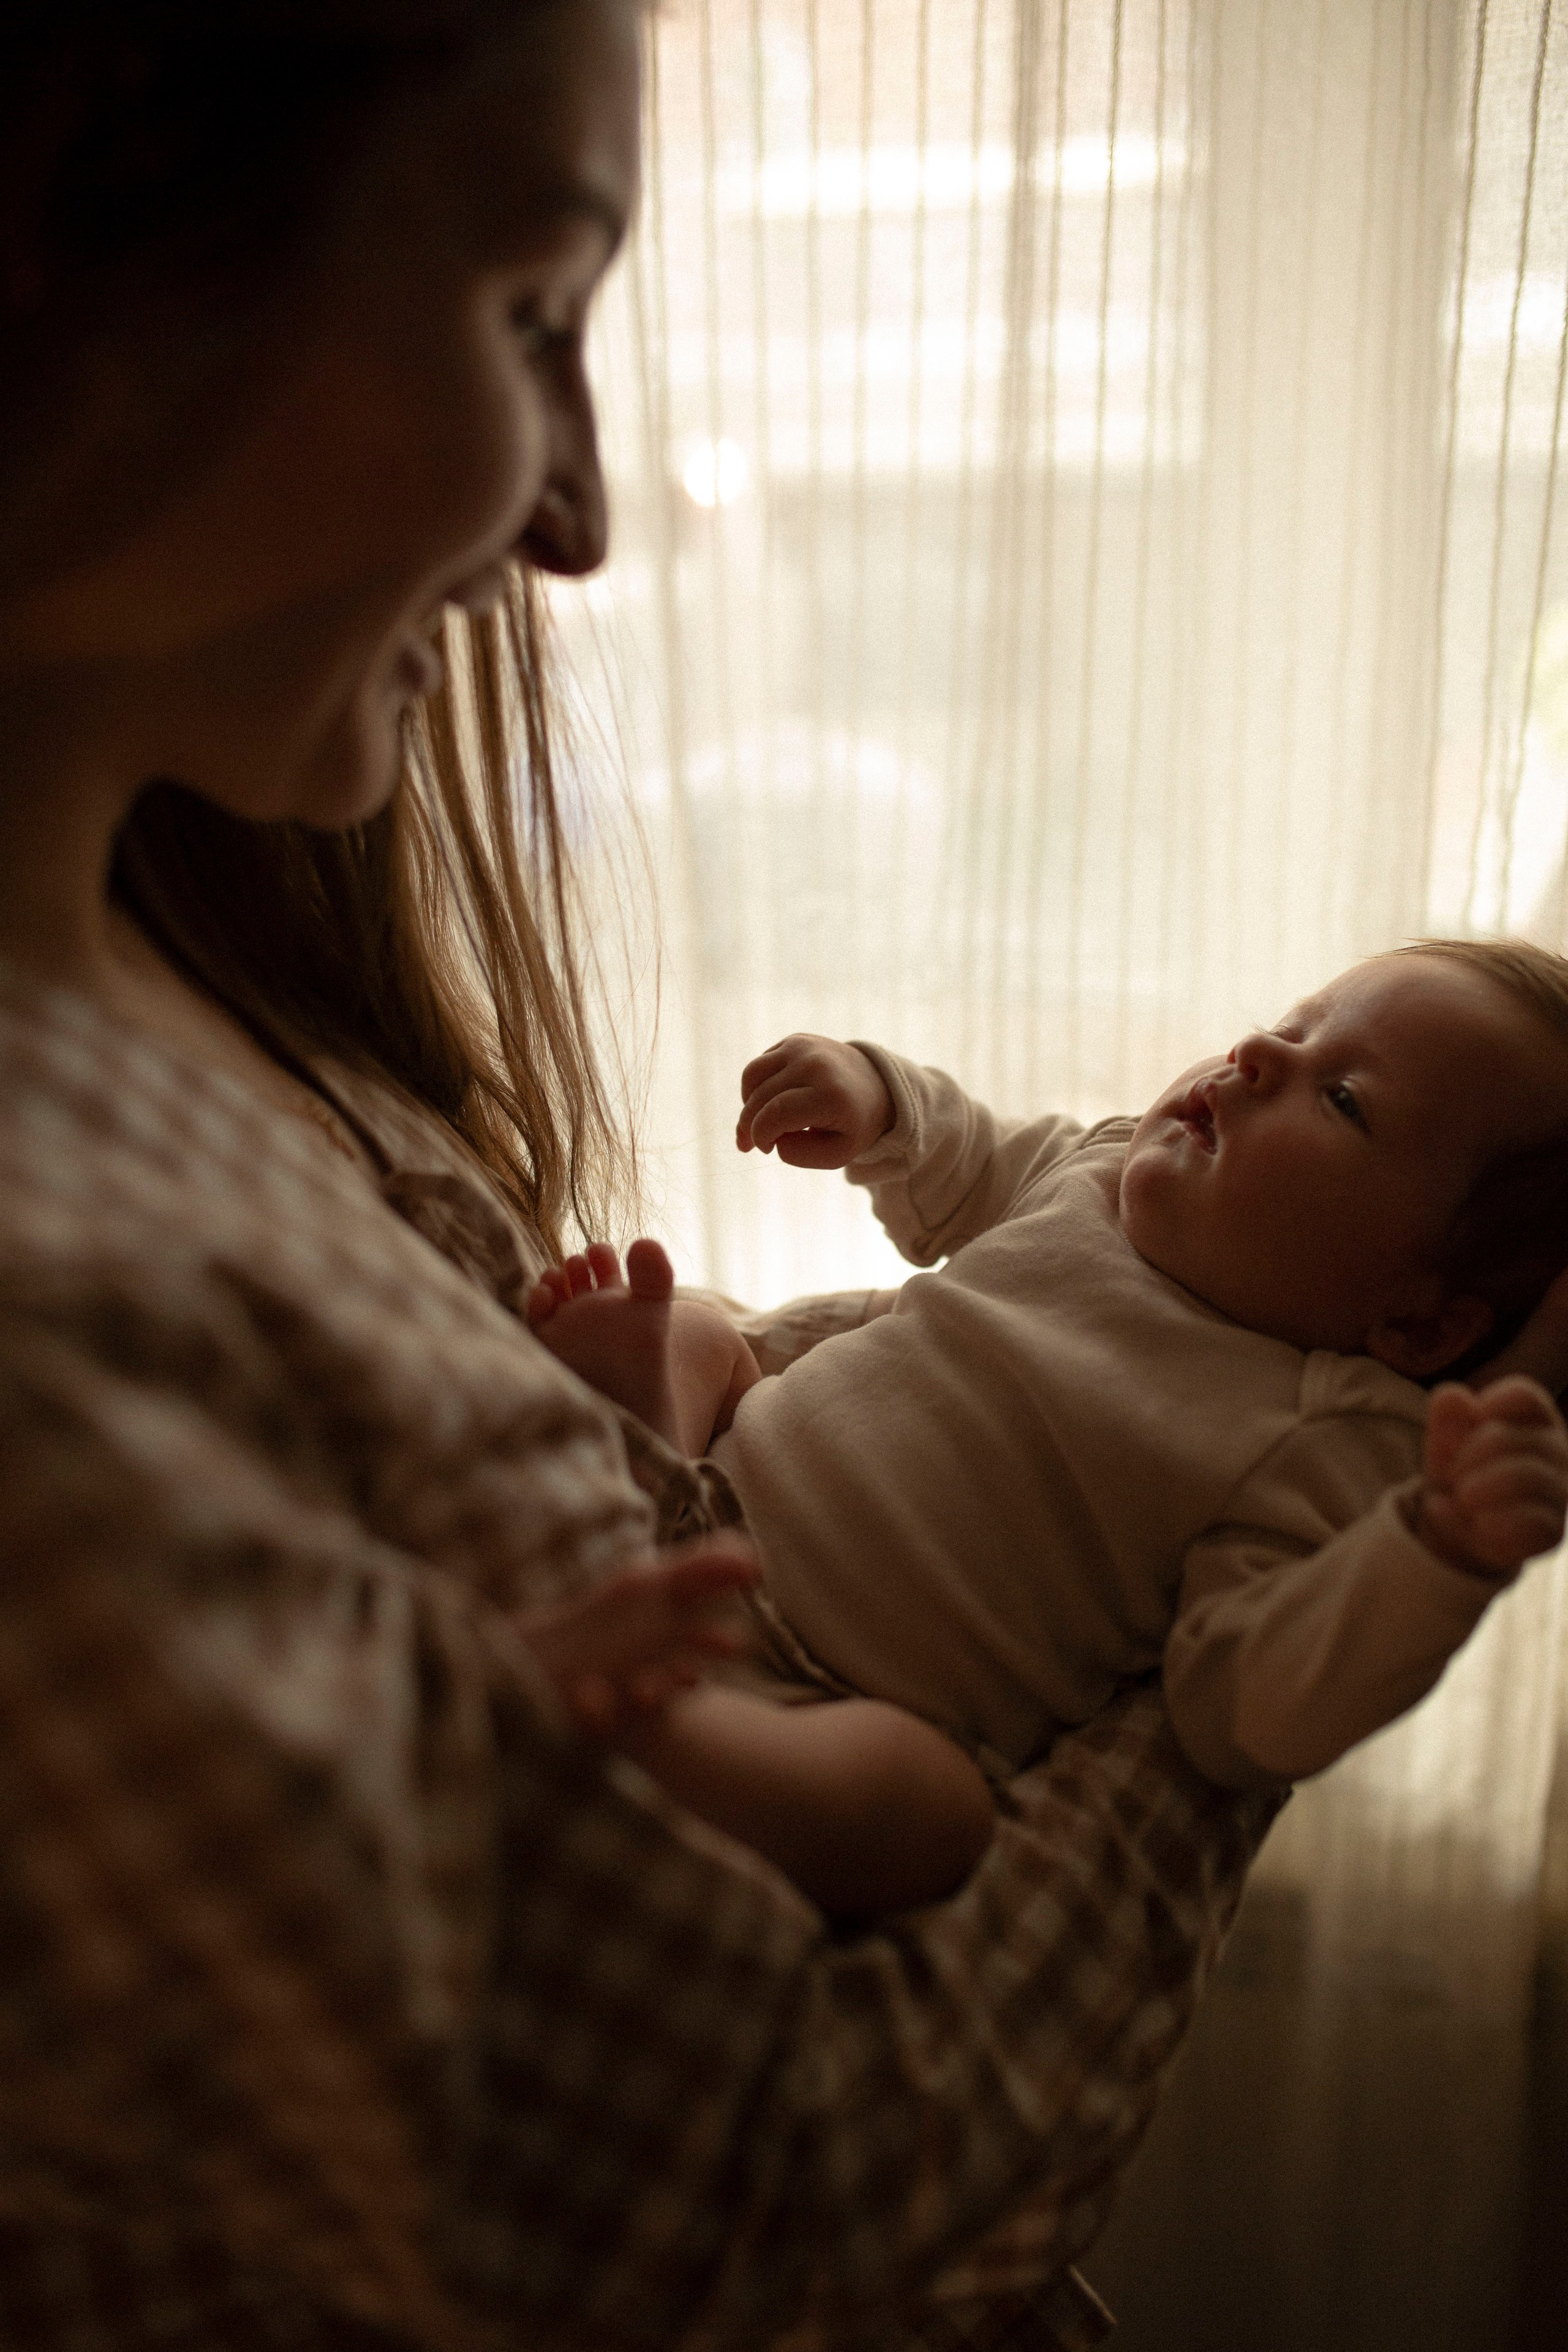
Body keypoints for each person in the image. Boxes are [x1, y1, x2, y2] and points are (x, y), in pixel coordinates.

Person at [0, 6, 1294, 2348]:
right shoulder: (54, 1313)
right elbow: (783, 2222)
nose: (583, 518)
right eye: (529, 318)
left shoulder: (178, 985)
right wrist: (1234, 1670)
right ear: (61, 252)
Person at [524, 940, 1568, 1915]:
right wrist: (880, 1100)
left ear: (1421, 1322)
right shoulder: (1104, 1173)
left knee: (937, 1813)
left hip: (833, 1699)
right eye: (1289, 1029)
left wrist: (1434, 1556)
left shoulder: (1322, 1429)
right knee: (694, 1337)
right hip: (705, 1493)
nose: (1255, 1057)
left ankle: (666, 1733)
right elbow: (969, 1159)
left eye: (1341, 1099)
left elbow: (1245, 1704)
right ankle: (605, 1510)